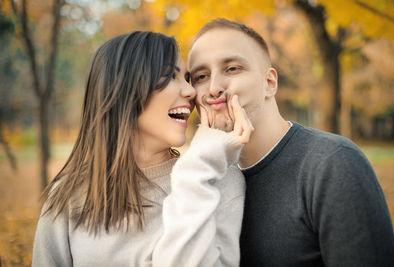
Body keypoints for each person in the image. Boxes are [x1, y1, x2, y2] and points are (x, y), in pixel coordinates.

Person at [188, 18, 394, 266]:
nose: (213, 87)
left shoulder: (332, 163)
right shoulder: (206, 181)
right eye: (201, 76)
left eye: (232, 68)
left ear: (269, 83)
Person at [32, 31, 253, 267]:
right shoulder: (68, 195)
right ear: (123, 89)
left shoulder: (220, 181)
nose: (191, 92)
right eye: (170, 76)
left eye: (187, 79)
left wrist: (197, 171)